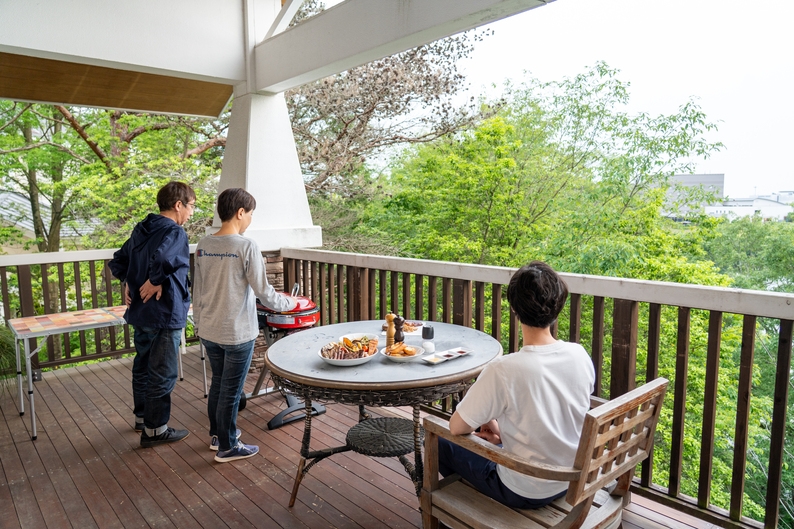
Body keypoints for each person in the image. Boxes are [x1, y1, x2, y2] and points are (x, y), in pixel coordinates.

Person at [439, 261, 595, 508]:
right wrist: (500, 432)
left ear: (514, 308)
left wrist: (494, 431)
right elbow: (551, 410)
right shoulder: (579, 355)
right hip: (572, 479)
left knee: (441, 442)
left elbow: (456, 427)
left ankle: (472, 509)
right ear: (558, 307)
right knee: (484, 433)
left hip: (526, 489)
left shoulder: (504, 369)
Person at [192, 188, 297, 463]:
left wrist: (199, 325)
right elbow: (264, 292)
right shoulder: (245, 245)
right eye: (250, 213)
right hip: (237, 333)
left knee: (219, 384)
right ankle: (228, 445)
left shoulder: (204, 245)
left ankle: (217, 436)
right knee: (231, 389)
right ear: (240, 212)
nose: (250, 219)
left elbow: (198, 291)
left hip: (210, 330)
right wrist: (290, 304)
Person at [108, 181, 196, 448]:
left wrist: (128, 282)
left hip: (141, 313)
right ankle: (155, 430)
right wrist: (156, 279)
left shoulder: (141, 229)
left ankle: (142, 417)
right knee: (163, 372)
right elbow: (164, 260)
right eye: (191, 206)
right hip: (164, 313)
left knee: (143, 365)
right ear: (178, 204)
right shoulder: (175, 232)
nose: (192, 213)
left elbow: (118, 260)